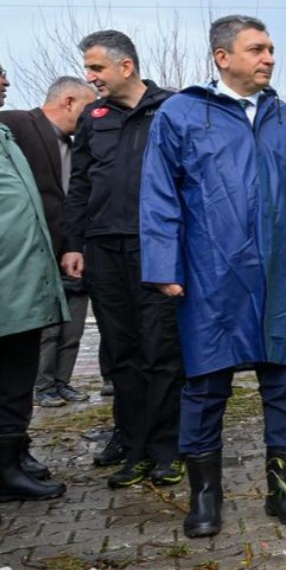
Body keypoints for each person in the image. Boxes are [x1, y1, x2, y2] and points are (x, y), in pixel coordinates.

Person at [140, 14, 286, 538]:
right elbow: (159, 193)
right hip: (212, 277)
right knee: (205, 385)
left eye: (272, 48)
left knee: (284, 383)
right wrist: (164, 264)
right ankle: (205, 496)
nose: (269, 58)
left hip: (281, 275)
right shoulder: (181, 115)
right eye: (257, 49)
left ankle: (283, 489)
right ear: (222, 57)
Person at [60, 30, 185, 488]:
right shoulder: (93, 118)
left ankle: (168, 450)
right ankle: (134, 449)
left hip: (156, 249)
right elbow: (80, 185)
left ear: (126, 66)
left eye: (96, 68)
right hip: (103, 248)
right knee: (123, 353)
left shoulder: (172, 109)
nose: (90, 77)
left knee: (162, 350)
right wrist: (74, 243)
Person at [0, 46, 69, 529]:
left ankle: (4, 468)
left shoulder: (0, 132)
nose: (7, 80)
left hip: (20, 289)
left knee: (13, 384)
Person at [0, 77, 98, 409]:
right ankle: (41, 386)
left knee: (73, 325)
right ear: (69, 102)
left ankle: (61, 381)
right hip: (32, 250)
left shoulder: (80, 145)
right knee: (46, 327)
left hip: (73, 249)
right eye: (88, 107)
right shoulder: (15, 125)